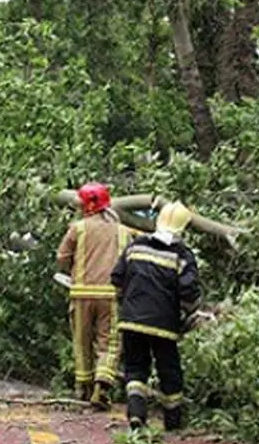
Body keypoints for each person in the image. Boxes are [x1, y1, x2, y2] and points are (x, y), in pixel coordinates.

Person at [111, 202, 200, 431]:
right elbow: (189, 293)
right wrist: (192, 312)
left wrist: (126, 302)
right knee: (169, 370)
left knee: (135, 367)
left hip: (131, 319)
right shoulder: (182, 255)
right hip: (164, 325)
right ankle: (173, 421)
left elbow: (117, 278)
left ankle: (136, 414)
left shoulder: (136, 245)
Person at [56, 183, 134, 409]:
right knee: (108, 342)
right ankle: (102, 385)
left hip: (80, 294)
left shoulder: (77, 228)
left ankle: (83, 388)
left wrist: (73, 268)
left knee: (81, 341)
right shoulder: (123, 231)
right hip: (110, 294)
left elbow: (62, 258)